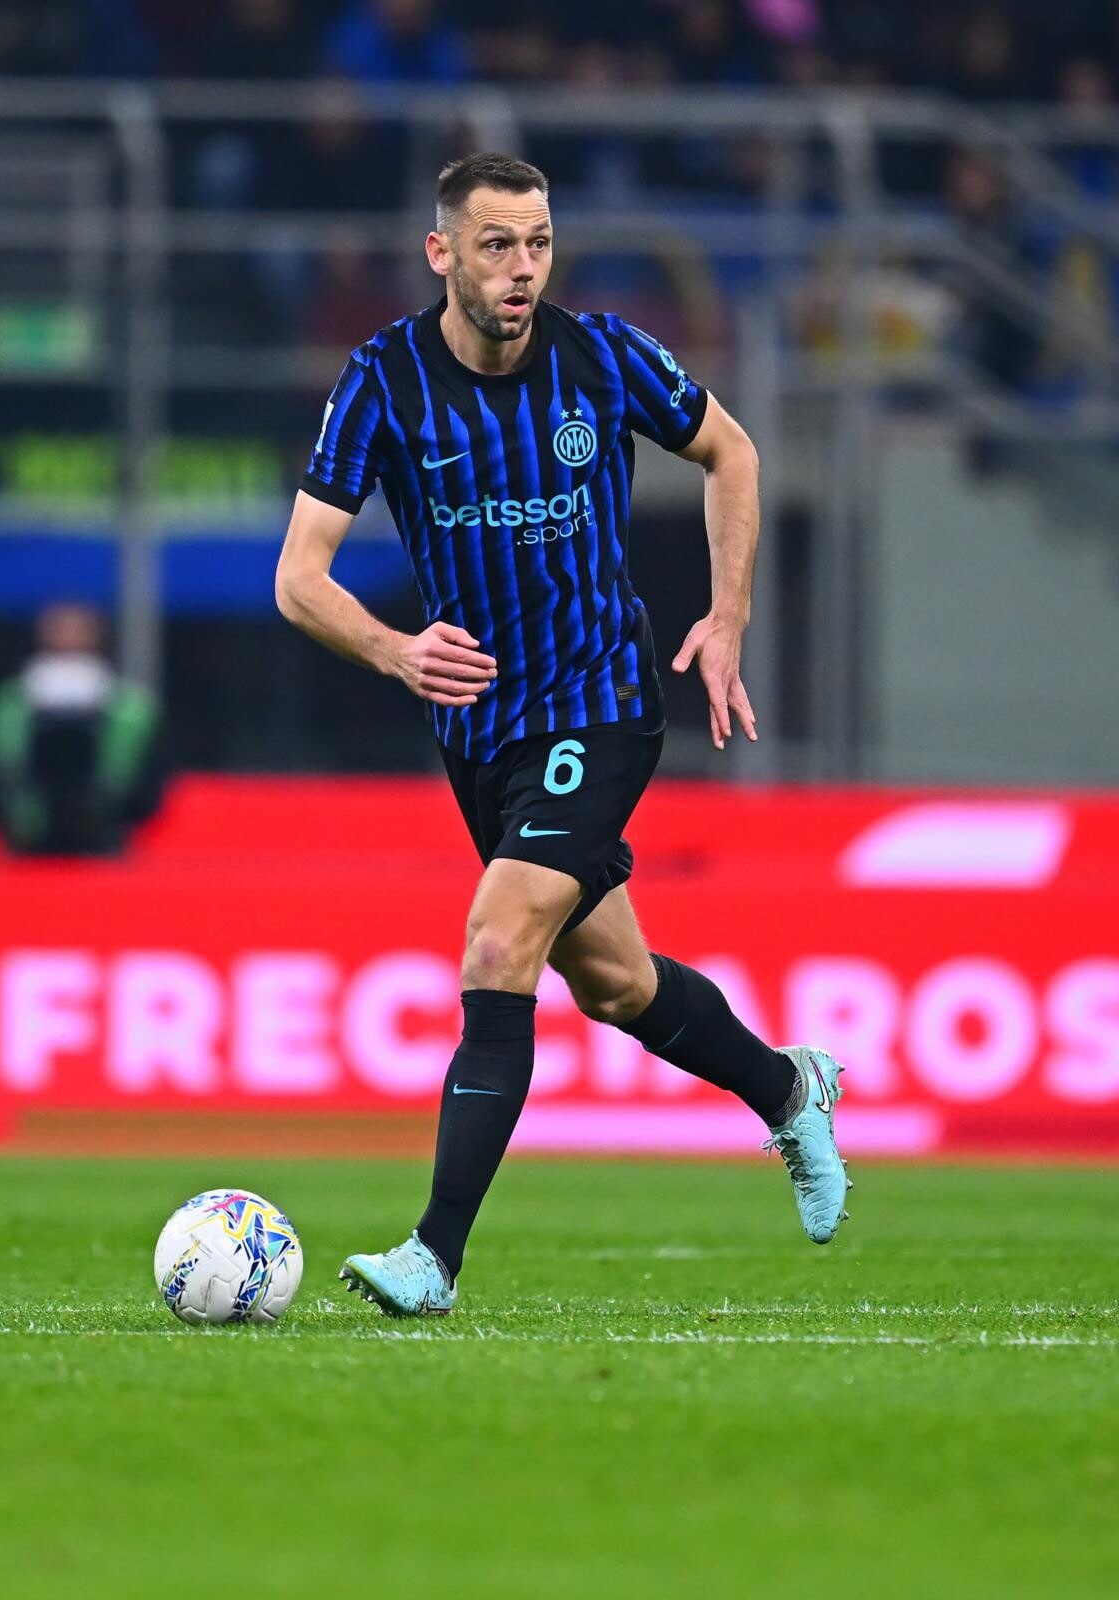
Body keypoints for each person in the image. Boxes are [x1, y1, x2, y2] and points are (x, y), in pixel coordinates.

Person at [275, 152, 850, 1318]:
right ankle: (786, 1089)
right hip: (479, 731)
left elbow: (730, 451)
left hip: (600, 704)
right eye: (496, 244)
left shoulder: (602, 356)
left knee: (498, 943)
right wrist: (394, 650)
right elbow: (299, 578)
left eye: (537, 242)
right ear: (441, 253)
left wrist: (726, 615)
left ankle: (433, 1256)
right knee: (616, 983)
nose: (522, 267)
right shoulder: (382, 380)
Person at [0, 602, 164, 856]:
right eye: (60, 629)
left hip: (103, 841)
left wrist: (113, 810)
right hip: (25, 844)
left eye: (79, 629)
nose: (69, 638)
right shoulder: (10, 703)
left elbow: (150, 777)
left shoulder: (129, 708)